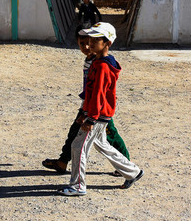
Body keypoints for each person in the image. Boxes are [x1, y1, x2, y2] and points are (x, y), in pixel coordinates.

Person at [58, 22, 143, 196]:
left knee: (78, 147)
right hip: (95, 113)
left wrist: (90, 118)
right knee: (101, 144)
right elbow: (90, 93)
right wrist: (83, 112)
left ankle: (77, 186)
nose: (89, 43)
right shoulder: (97, 62)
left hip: (97, 115)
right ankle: (133, 171)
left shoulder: (103, 67)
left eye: (95, 40)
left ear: (107, 44)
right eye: (89, 39)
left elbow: (98, 94)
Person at [42, 26, 130, 174]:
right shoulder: (91, 60)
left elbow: (101, 88)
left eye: (92, 42)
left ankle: (127, 164)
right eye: (83, 43)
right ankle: (63, 161)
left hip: (98, 109)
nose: (87, 46)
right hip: (90, 106)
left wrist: (92, 113)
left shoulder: (102, 62)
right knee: (76, 132)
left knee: (110, 137)